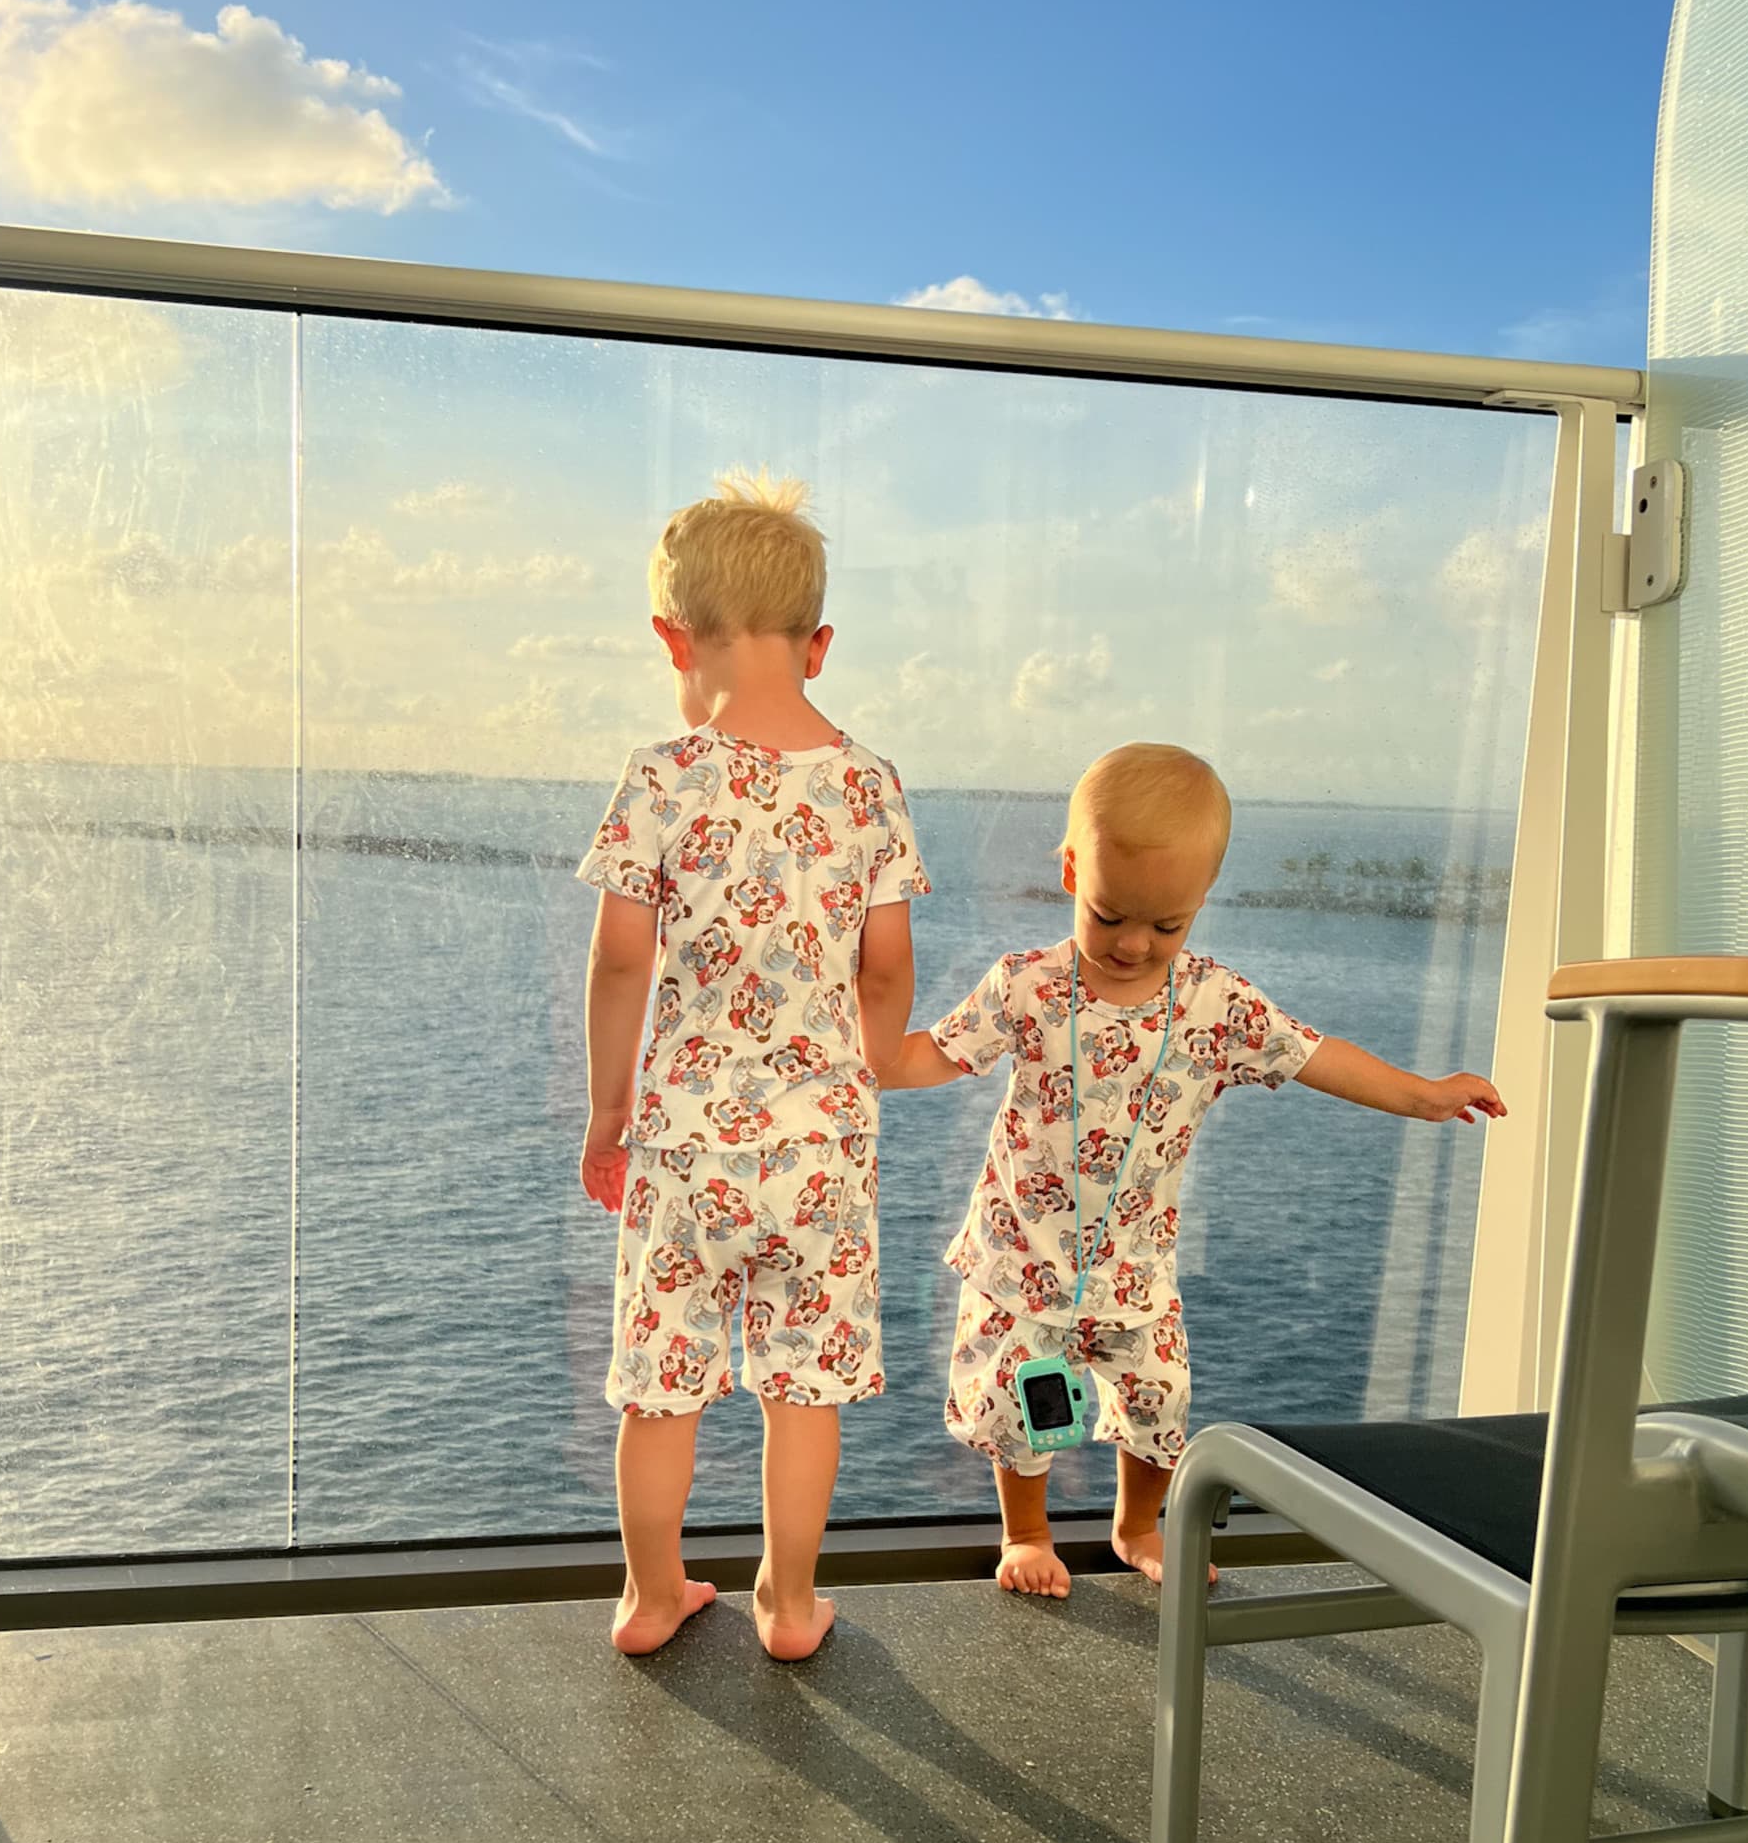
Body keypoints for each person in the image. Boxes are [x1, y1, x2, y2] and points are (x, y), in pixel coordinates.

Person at [878, 742, 1503, 1599]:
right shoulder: (1026, 987)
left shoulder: (1216, 1007)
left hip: (1134, 1266)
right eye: (1108, 916)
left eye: (1166, 925)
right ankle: (1025, 1533)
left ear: (1201, 900)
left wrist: (1422, 1094)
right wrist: (846, 1053)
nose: (1134, 943)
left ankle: (1139, 1523)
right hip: (1020, 1257)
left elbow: (1319, 1056)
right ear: (1069, 871)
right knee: (1015, 1402)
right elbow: (928, 1056)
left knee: (1159, 1397)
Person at [578, 469, 926, 1659]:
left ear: (673, 638)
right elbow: (884, 968)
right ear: (818, 646)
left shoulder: (661, 777)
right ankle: (785, 1603)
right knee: (803, 1385)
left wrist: (606, 1116)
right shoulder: (869, 787)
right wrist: (866, 1061)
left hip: (681, 1142)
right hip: (820, 1143)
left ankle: (648, 1595)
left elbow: (621, 962)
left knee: (659, 1384)